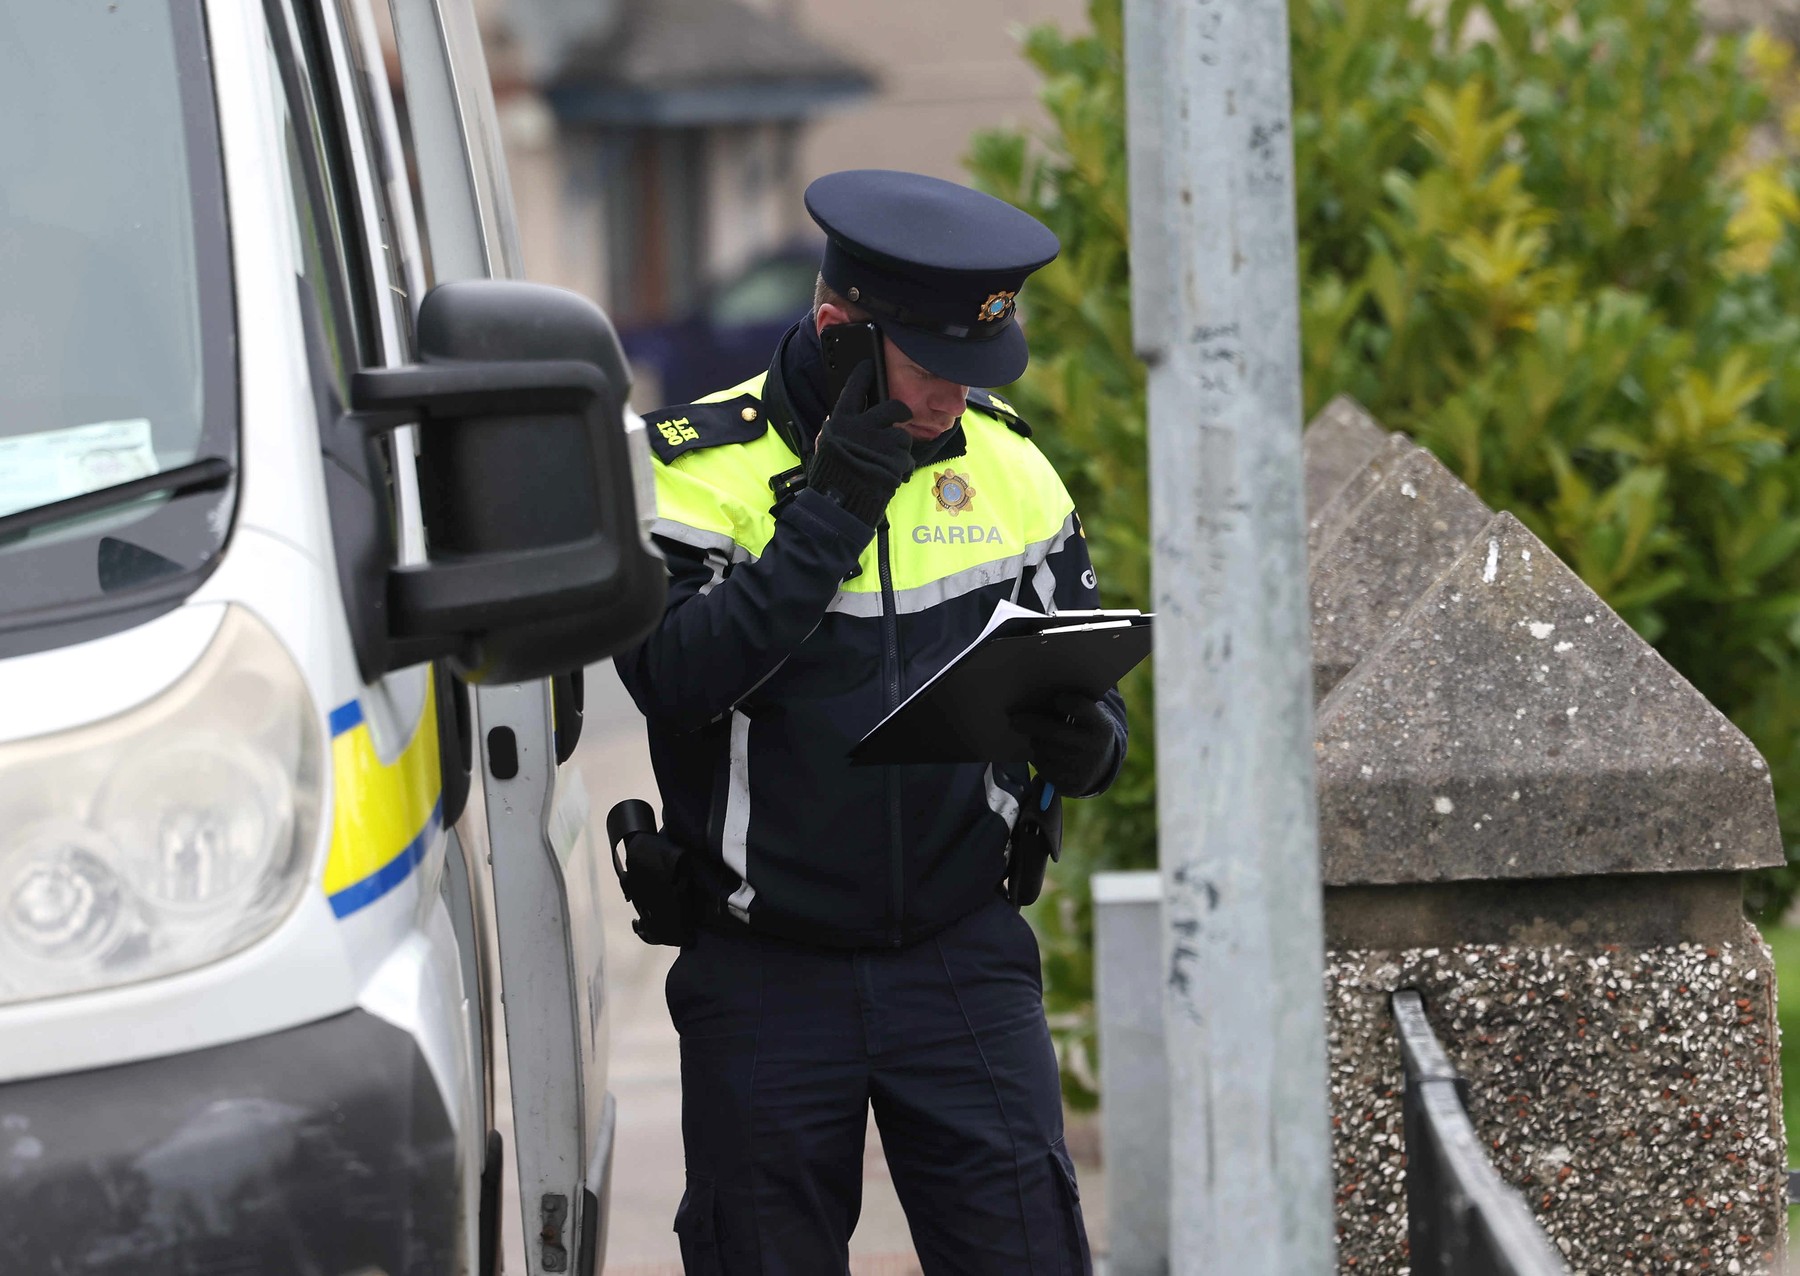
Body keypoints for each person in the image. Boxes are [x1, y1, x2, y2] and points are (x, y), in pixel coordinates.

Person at [616, 168, 1128, 1275]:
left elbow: (1080, 666)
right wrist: (835, 509)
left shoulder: (1011, 463)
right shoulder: (692, 474)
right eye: (933, 366)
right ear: (840, 328)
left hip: (962, 955)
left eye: (975, 369)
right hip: (767, 969)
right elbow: (675, 676)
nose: (953, 398)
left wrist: (1095, 740)